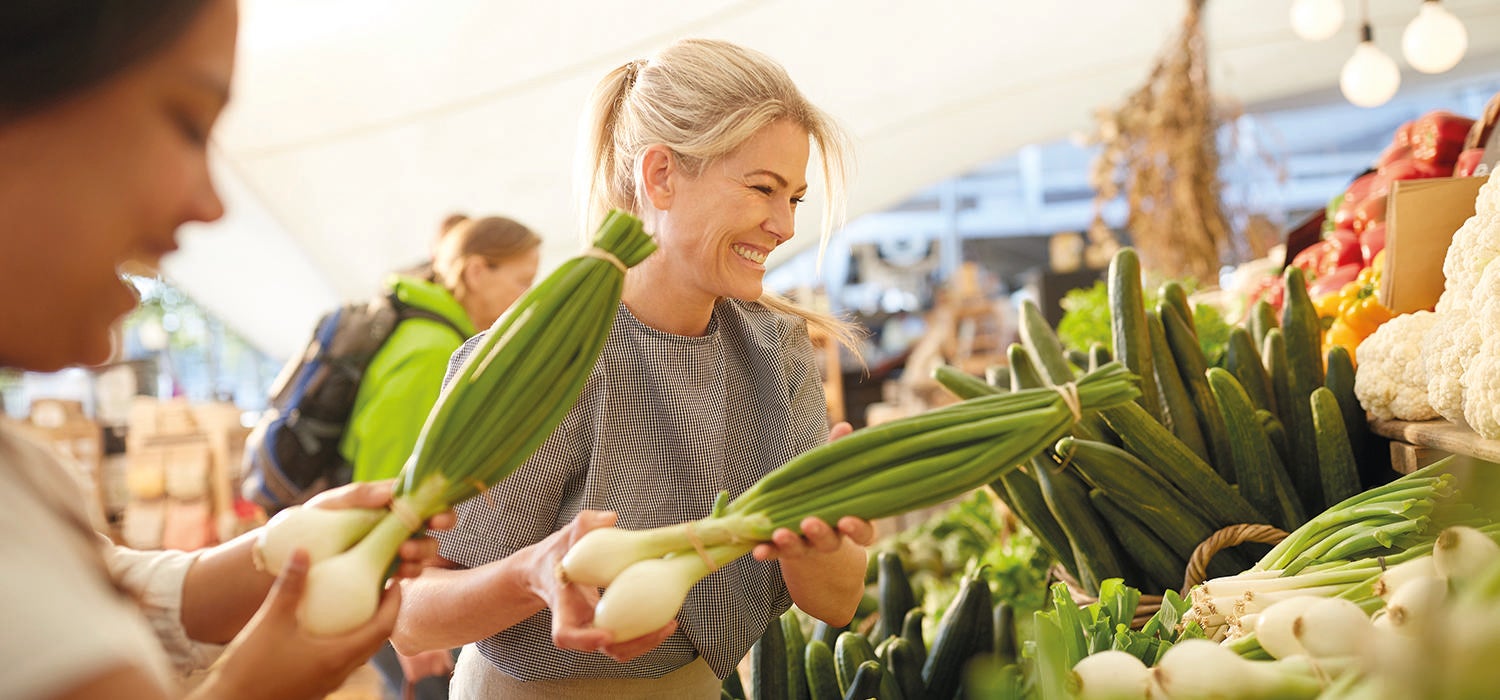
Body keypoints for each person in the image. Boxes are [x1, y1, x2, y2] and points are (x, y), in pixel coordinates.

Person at [392, 38, 872, 698]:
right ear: (661, 176)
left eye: (794, 198)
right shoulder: (544, 357)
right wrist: (531, 575)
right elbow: (408, 617)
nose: (784, 226)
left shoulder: (776, 352)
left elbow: (837, 603)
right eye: (763, 189)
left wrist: (821, 535)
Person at [0, 2, 451, 698]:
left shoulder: (23, 472)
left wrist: (275, 553)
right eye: (187, 123)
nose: (212, 204)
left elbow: (98, 588)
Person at [347, 214, 541, 699]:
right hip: (386, 573)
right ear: (476, 272)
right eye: (522, 281)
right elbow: (385, 481)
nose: (528, 297)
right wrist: (398, 605)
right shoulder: (434, 350)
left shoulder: (434, 333)